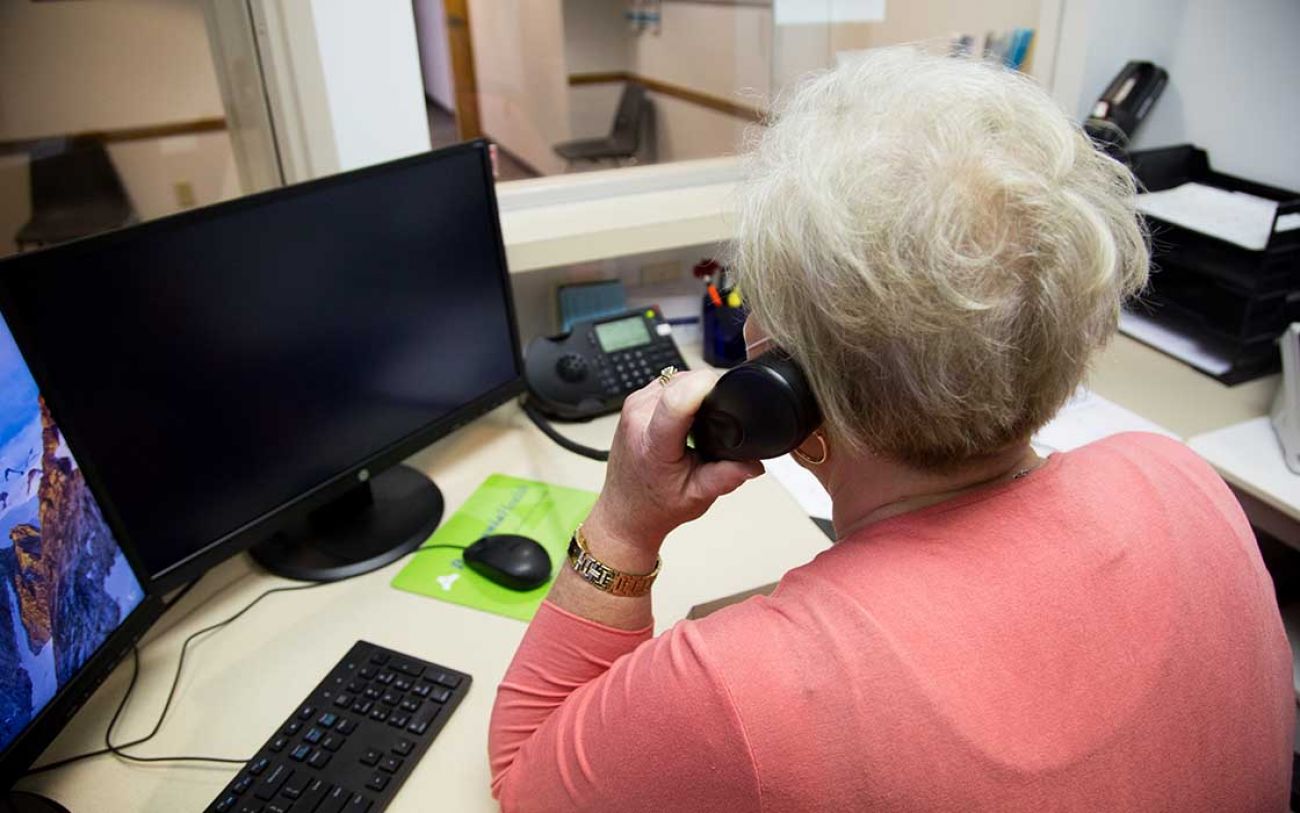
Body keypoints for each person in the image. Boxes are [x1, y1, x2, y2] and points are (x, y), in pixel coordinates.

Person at [488, 46, 1293, 811]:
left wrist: (626, 524)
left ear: (784, 397)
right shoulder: (1181, 478)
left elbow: (526, 775)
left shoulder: (744, 689)